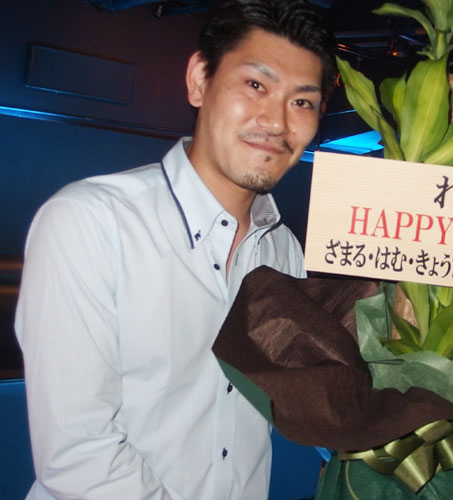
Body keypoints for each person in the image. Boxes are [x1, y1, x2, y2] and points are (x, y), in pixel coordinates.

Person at [14, 0, 336, 498]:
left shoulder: (283, 251)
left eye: (302, 102)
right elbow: (78, 454)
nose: (276, 122)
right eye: (256, 85)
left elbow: (292, 406)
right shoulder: (91, 222)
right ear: (199, 80)